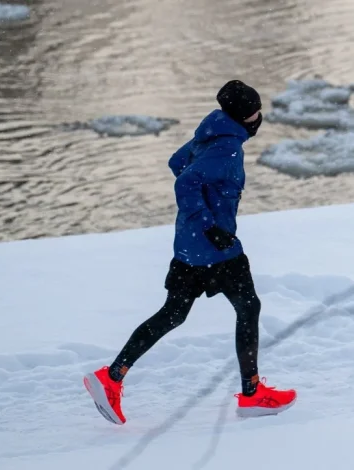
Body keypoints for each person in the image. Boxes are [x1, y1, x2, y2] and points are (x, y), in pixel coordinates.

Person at [83, 80, 297, 425]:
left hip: (189, 247)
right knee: (248, 308)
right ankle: (252, 393)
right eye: (256, 111)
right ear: (244, 115)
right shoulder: (227, 146)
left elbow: (177, 161)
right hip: (218, 250)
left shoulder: (211, 131)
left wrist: (203, 208)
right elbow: (185, 181)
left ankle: (112, 377)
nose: (260, 117)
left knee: (173, 314)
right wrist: (210, 224)